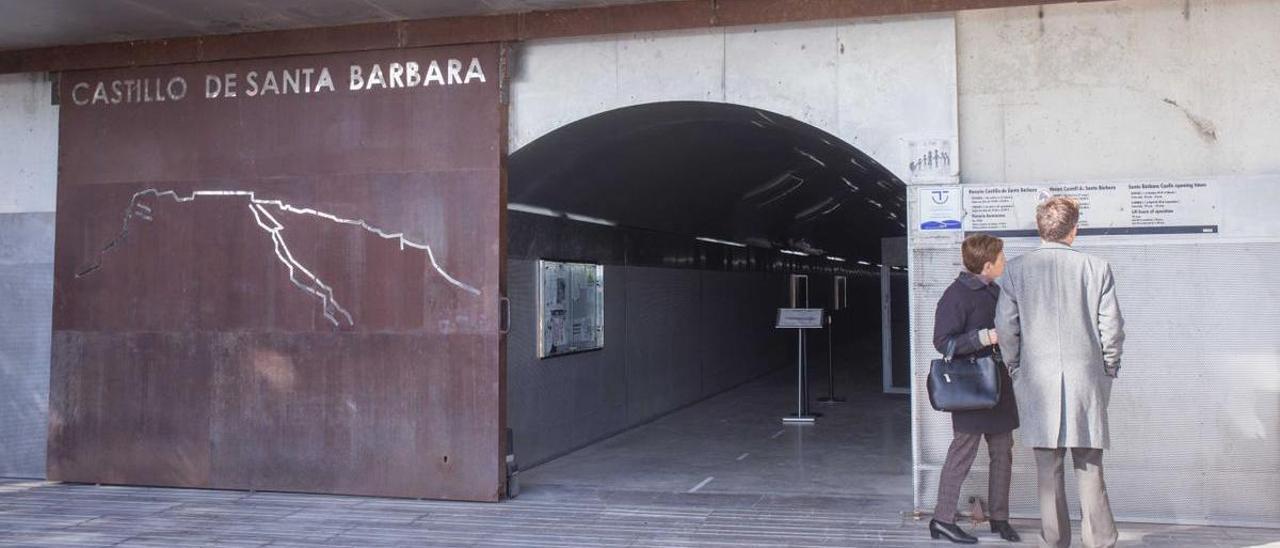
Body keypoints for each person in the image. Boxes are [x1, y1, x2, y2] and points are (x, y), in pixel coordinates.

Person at [994, 197, 1125, 548]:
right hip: (1086, 382)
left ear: (1040, 229)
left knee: (1048, 474)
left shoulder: (1016, 271)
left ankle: (1055, 542)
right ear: (1074, 229)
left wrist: (1016, 367)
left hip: (1038, 383)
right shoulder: (1097, 268)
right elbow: (1111, 328)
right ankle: (1100, 542)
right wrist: (1108, 368)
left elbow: (1005, 328)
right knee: (1090, 469)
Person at [929, 234, 1021, 544]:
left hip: (998, 386)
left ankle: (1000, 518)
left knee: (1002, 454)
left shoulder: (994, 290)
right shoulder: (955, 296)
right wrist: (984, 338)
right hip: (971, 389)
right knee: (962, 454)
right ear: (986, 265)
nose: (1004, 262)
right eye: (1001, 258)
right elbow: (943, 342)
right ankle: (942, 520)